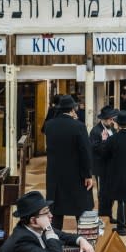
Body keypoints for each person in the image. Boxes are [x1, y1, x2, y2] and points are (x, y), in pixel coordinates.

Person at [44, 95, 94, 230]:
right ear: (73, 109)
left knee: (56, 212)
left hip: (55, 175)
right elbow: (85, 152)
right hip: (76, 175)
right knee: (81, 211)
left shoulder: (49, 126)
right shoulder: (78, 126)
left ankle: (54, 241)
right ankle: (85, 241)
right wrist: (88, 174)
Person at [89, 106, 118, 223]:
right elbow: (96, 150)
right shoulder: (95, 131)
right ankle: (103, 216)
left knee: (111, 192)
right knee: (103, 193)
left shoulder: (113, 129)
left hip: (112, 166)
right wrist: (105, 141)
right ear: (105, 119)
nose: (112, 121)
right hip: (101, 167)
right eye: (111, 119)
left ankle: (109, 215)